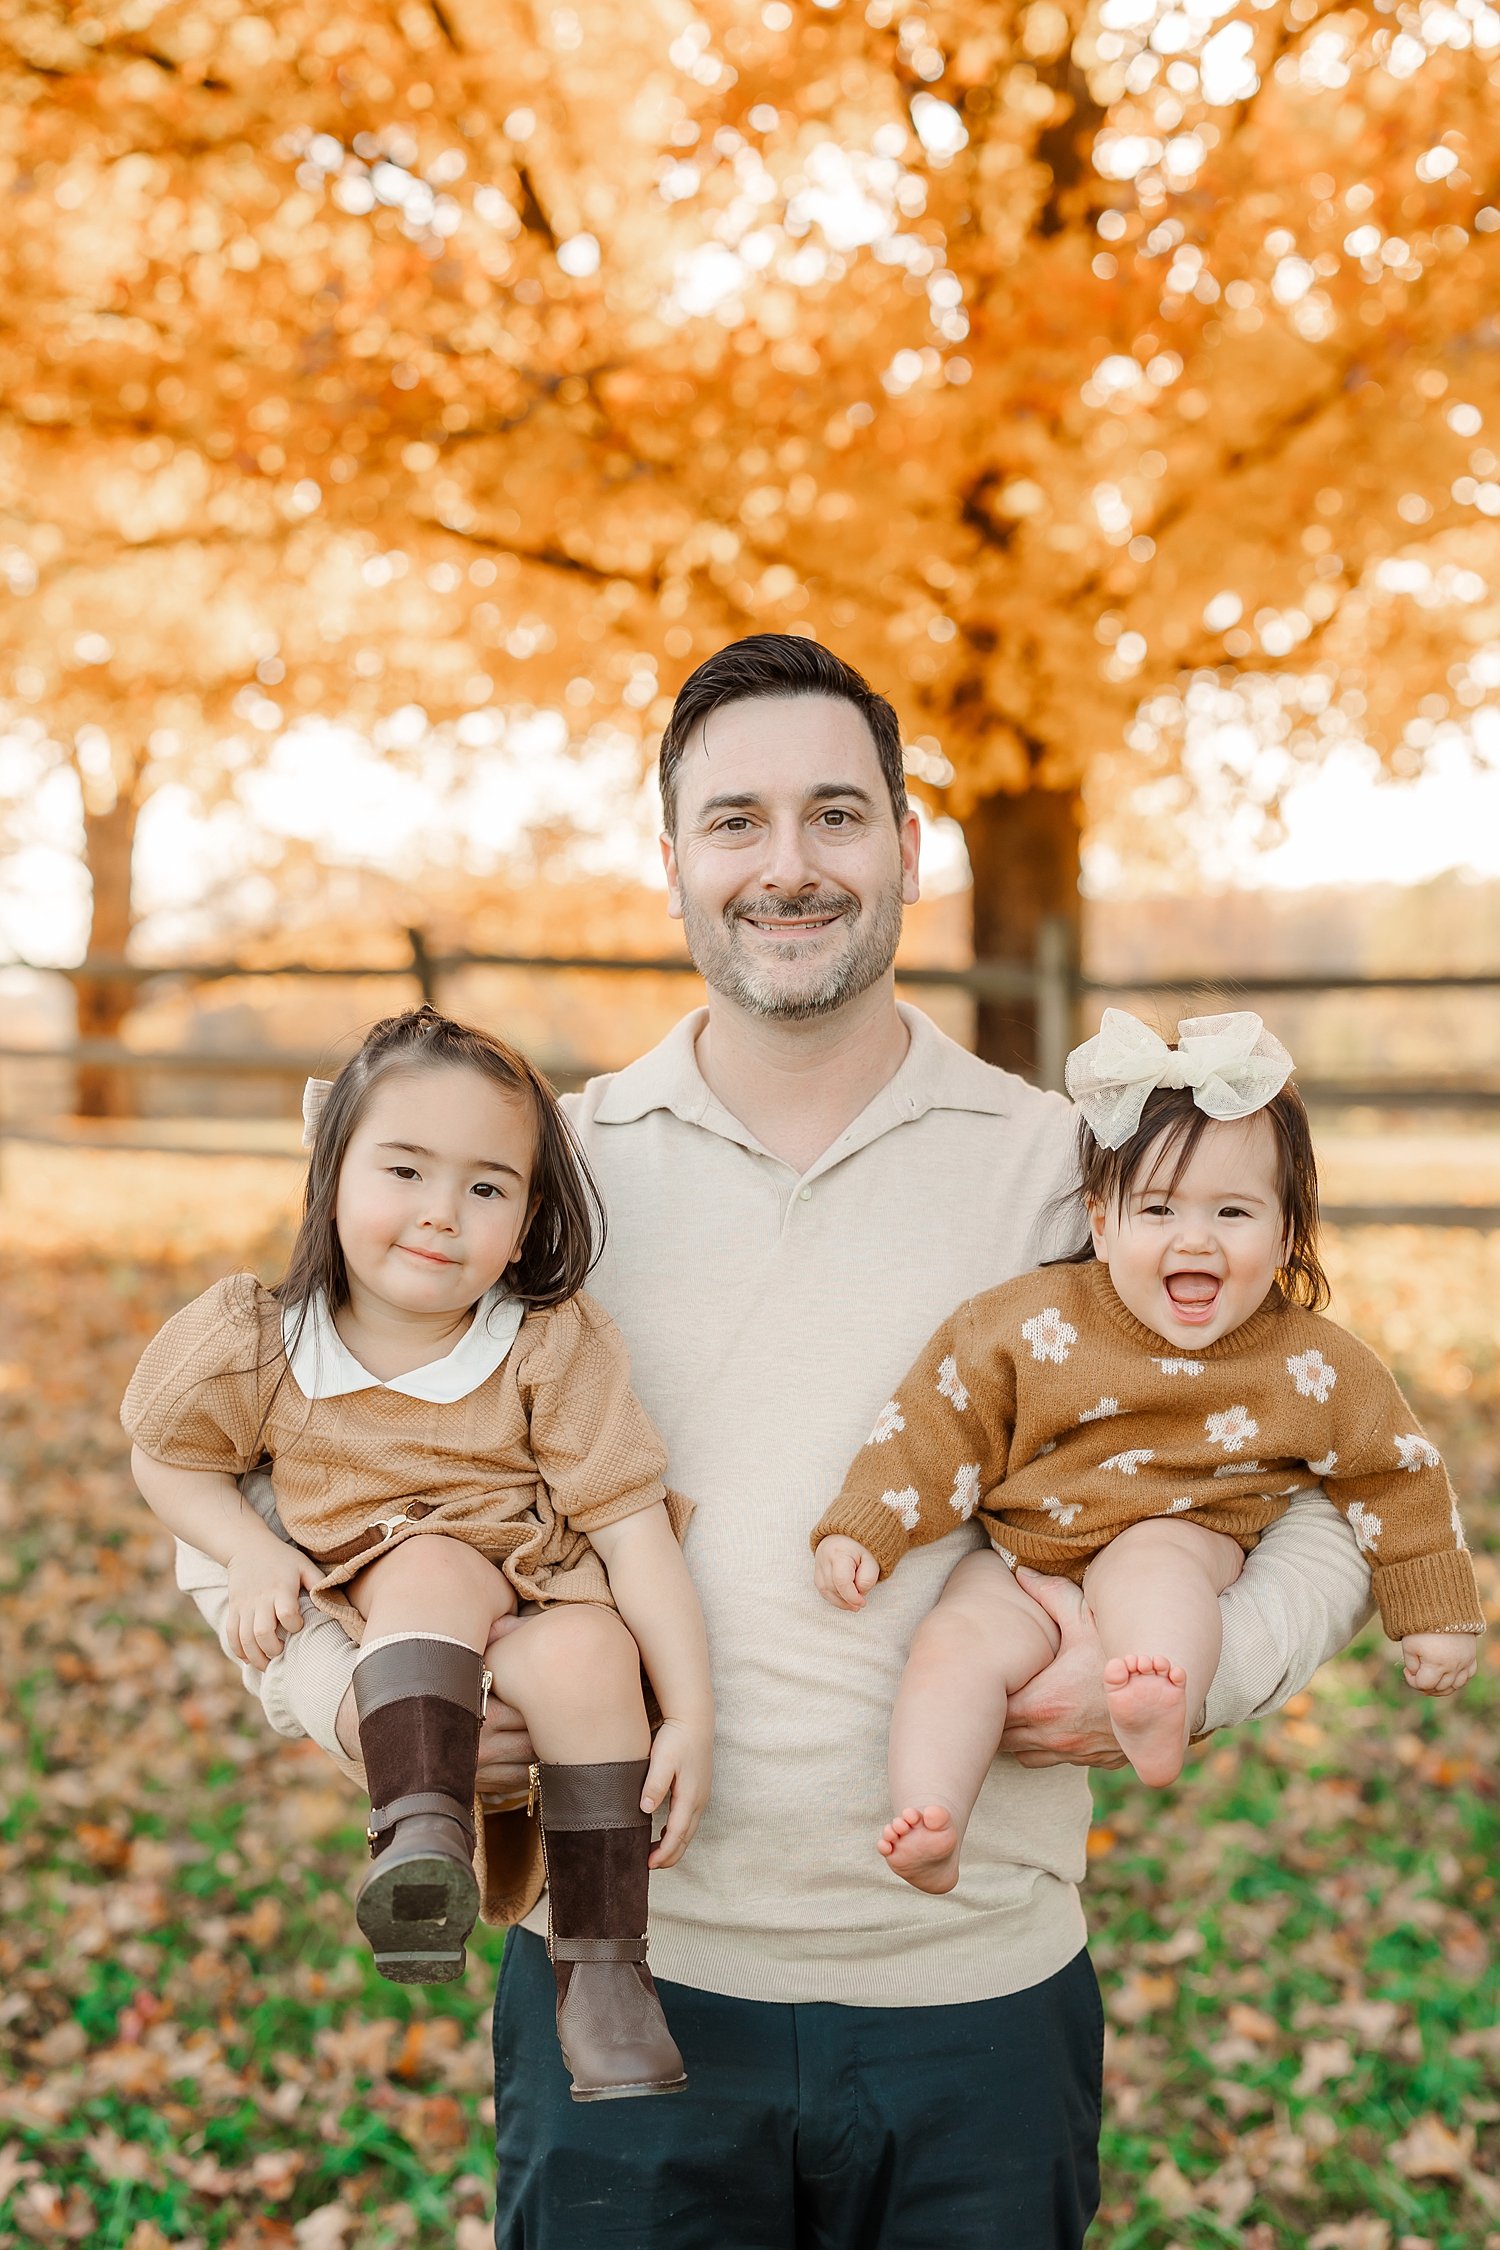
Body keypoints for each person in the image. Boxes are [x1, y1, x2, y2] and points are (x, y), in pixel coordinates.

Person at [174, 635, 1377, 2248]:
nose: (788, 865)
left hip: (977, 1999)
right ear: (672, 862)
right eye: (735, 821)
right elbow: (242, 1456)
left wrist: (1203, 1664)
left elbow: (1334, 1484)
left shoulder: (1070, 1175)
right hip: (625, 1991)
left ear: (907, 847)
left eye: (836, 814)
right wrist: (360, 1714)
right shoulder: (533, 1177)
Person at [124, 1005, 711, 2102]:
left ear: (529, 1215)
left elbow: (632, 1530)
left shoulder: (542, 1341)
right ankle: (420, 1837)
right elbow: (166, 1457)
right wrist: (247, 1552)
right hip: (395, 1609)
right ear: (332, 1169)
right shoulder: (263, 1340)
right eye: (405, 1170)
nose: (442, 1215)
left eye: (487, 1187)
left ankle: (606, 1973)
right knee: (435, 1567)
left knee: (588, 1661)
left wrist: (691, 1713)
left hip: (544, 1589)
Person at [813, 1007, 1481, 1891]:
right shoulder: (1032, 1322)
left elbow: (1394, 1475)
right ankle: (934, 1816)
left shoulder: (1314, 1362)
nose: (1194, 1238)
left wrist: (1433, 1609)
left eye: (1233, 1211)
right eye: (1158, 1208)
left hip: (1184, 1527)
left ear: (1285, 1234)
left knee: (1154, 1572)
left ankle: (1161, 1706)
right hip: (1020, 1553)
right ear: (1101, 1218)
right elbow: (939, 1420)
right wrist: (866, 1527)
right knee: (954, 1644)